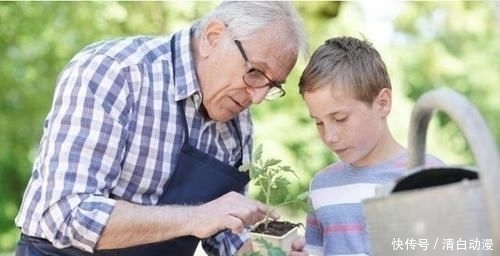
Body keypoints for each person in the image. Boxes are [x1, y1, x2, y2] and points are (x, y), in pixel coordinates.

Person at [14, 2, 310, 256]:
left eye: (271, 86)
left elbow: (223, 232)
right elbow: (66, 214)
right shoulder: (115, 73)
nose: (257, 98)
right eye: (255, 72)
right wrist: (195, 217)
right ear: (212, 36)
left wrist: (264, 249)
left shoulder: (237, 121)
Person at [297, 36, 443, 256]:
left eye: (340, 118)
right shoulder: (321, 186)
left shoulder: (430, 175)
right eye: (318, 122)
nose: (329, 136)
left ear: (382, 103)